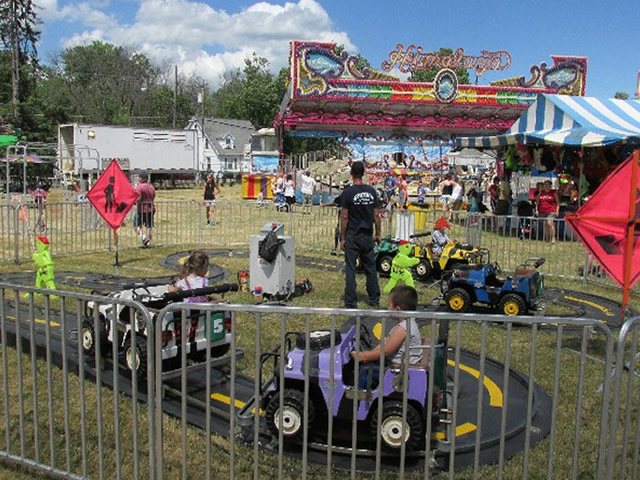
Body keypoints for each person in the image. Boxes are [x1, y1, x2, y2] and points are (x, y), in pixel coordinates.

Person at [350, 285, 422, 389]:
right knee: (370, 364)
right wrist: (369, 354)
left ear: (398, 309)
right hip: (398, 366)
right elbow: (385, 343)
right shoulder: (408, 323)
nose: (388, 308)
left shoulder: (402, 329)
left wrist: (363, 356)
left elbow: (386, 351)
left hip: (397, 370)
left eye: (389, 305)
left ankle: (356, 396)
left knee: (366, 371)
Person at [340, 161, 381, 309]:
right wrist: (378, 233)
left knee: (351, 269)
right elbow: (376, 215)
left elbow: (344, 217)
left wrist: (342, 237)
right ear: (363, 174)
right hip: (367, 235)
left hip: (352, 235)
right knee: (371, 268)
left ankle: (351, 301)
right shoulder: (371, 192)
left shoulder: (348, 192)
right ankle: (374, 298)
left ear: (351, 175)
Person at [134, 171, 155, 247]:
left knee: (136, 225)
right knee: (149, 227)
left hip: (142, 209)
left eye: (139, 177)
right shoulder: (151, 187)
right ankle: (149, 242)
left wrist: (135, 202)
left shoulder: (140, 187)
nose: (139, 179)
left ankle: (143, 237)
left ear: (143, 178)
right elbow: (153, 196)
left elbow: (138, 198)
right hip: (151, 208)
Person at [536, 180, 560, 244]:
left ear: (550, 186)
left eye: (548, 185)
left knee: (549, 223)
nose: (546, 186)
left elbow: (558, 203)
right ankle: (546, 239)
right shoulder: (540, 194)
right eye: (545, 185)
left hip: (551, 211)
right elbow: (537, 203)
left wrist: (557, 211)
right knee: (546, 225)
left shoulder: (553, 193)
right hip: (542, 211)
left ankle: (553, 238)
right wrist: (536, 210)